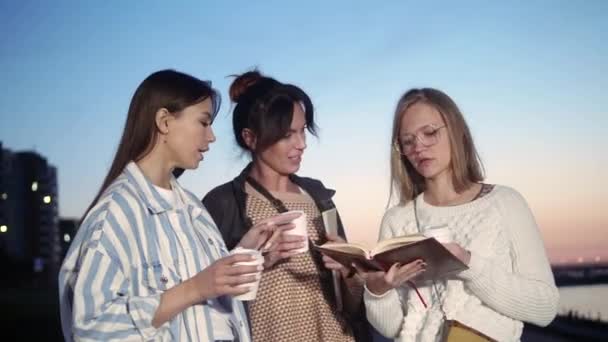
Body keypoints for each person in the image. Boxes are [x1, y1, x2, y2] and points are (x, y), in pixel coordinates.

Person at [58, 69, 299, 342]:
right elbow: (91, 327)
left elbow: (207, 305)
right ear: (164, 121)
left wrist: (246, 254)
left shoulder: (193, 210)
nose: (211, 137)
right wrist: (195, 289)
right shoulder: (115, 214)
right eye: (203, 122)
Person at [359, 88, 559, 341]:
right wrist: (378, 291)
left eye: (429, 133)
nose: (418, 146)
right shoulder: (396, 219)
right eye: (408, 141)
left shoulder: (504, 203)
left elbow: (545, 308)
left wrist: (468, 263)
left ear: (456, 131)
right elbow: (394, 329)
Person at [202, 70, 371, 342]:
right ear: (250, 138)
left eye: (302, 131)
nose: (301, 144)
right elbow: (205, 300)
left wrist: (347, 270)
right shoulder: (222, 204)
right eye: (286, 134)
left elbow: (351, 304)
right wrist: (254, 260)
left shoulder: (319, 197)